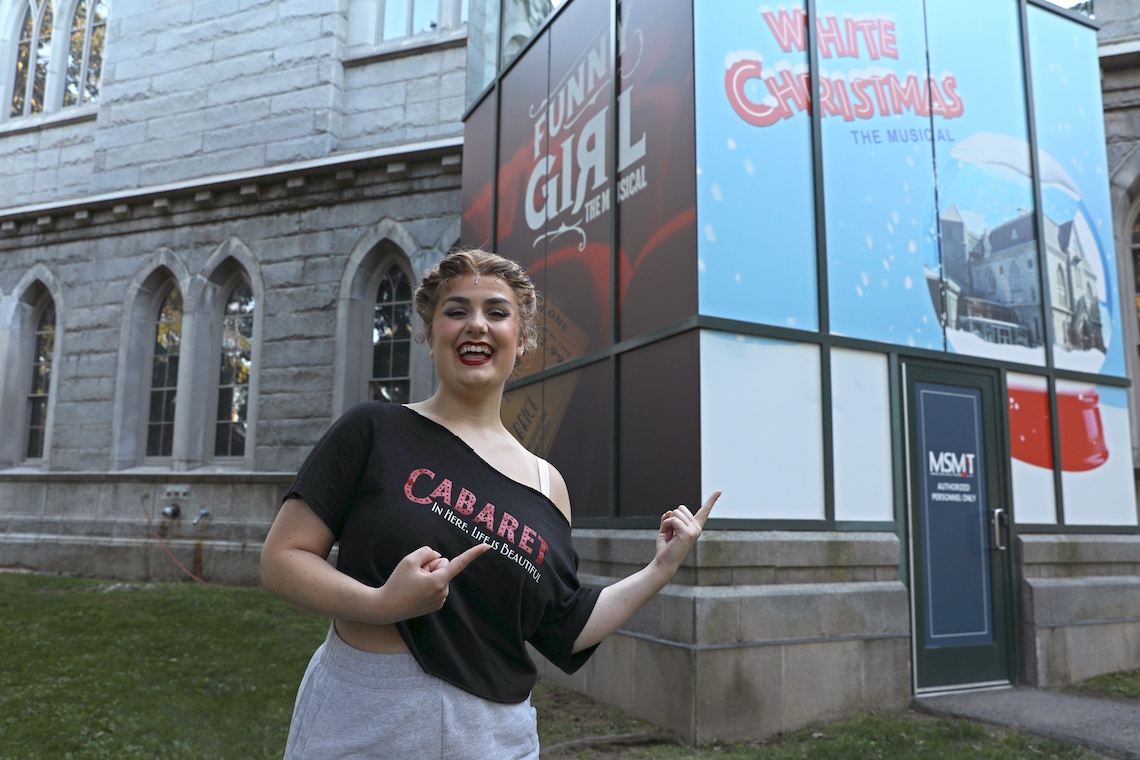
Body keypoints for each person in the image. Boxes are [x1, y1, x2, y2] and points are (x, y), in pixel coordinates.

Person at [261, 248, 719, 759]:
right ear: (429, 332)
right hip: (368, 715)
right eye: (456, 311)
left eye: (497, 313)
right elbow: (282, 560)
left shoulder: (549, 485)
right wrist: (381, 604)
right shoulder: (373, 430)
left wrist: (660, 569)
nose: (475, 325)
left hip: (496, 734)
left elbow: (564, 626)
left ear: (521, 341)